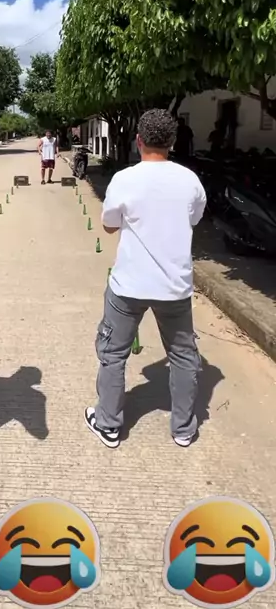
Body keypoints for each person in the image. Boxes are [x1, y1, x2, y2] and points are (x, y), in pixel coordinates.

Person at [84, 109, 207, 450]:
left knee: (114, 353)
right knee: (183, 356)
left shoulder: (125, 179)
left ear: (138, 141)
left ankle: (108, 424)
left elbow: (109, 225)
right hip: (175, 288)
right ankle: (183, 429)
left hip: (129, 286)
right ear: (173, 141)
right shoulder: (190, 180)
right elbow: (194, 219)